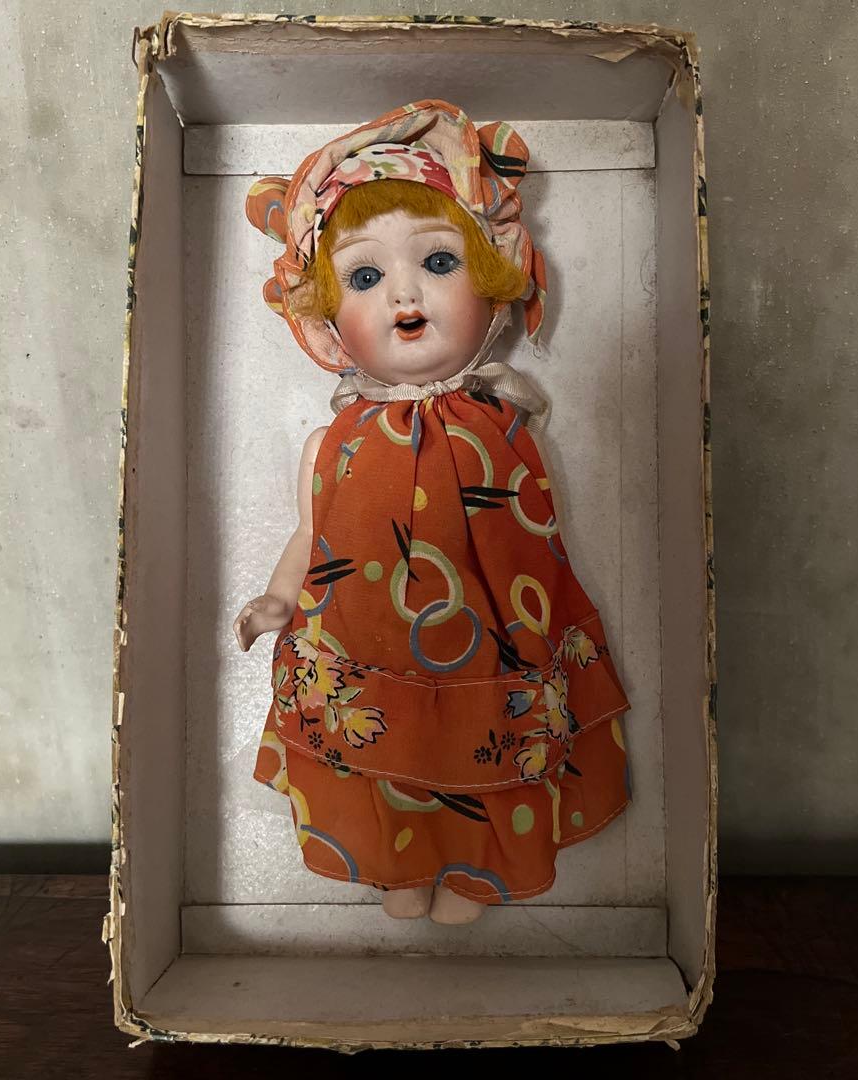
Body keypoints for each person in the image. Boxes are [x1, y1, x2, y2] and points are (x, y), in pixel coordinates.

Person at [235, 100, 631, 925]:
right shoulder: (331, 443)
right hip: (366, 638)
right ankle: (398, 866)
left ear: (493, 281)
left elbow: (536, 544)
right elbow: (311, 533)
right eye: (365, 277)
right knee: (385, 751)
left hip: (486, 638)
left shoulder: (506, 426)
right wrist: (276, 598)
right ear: (328, 323)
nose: (405, 294)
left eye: (440, 261)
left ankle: (473, 870)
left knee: (478, 748)